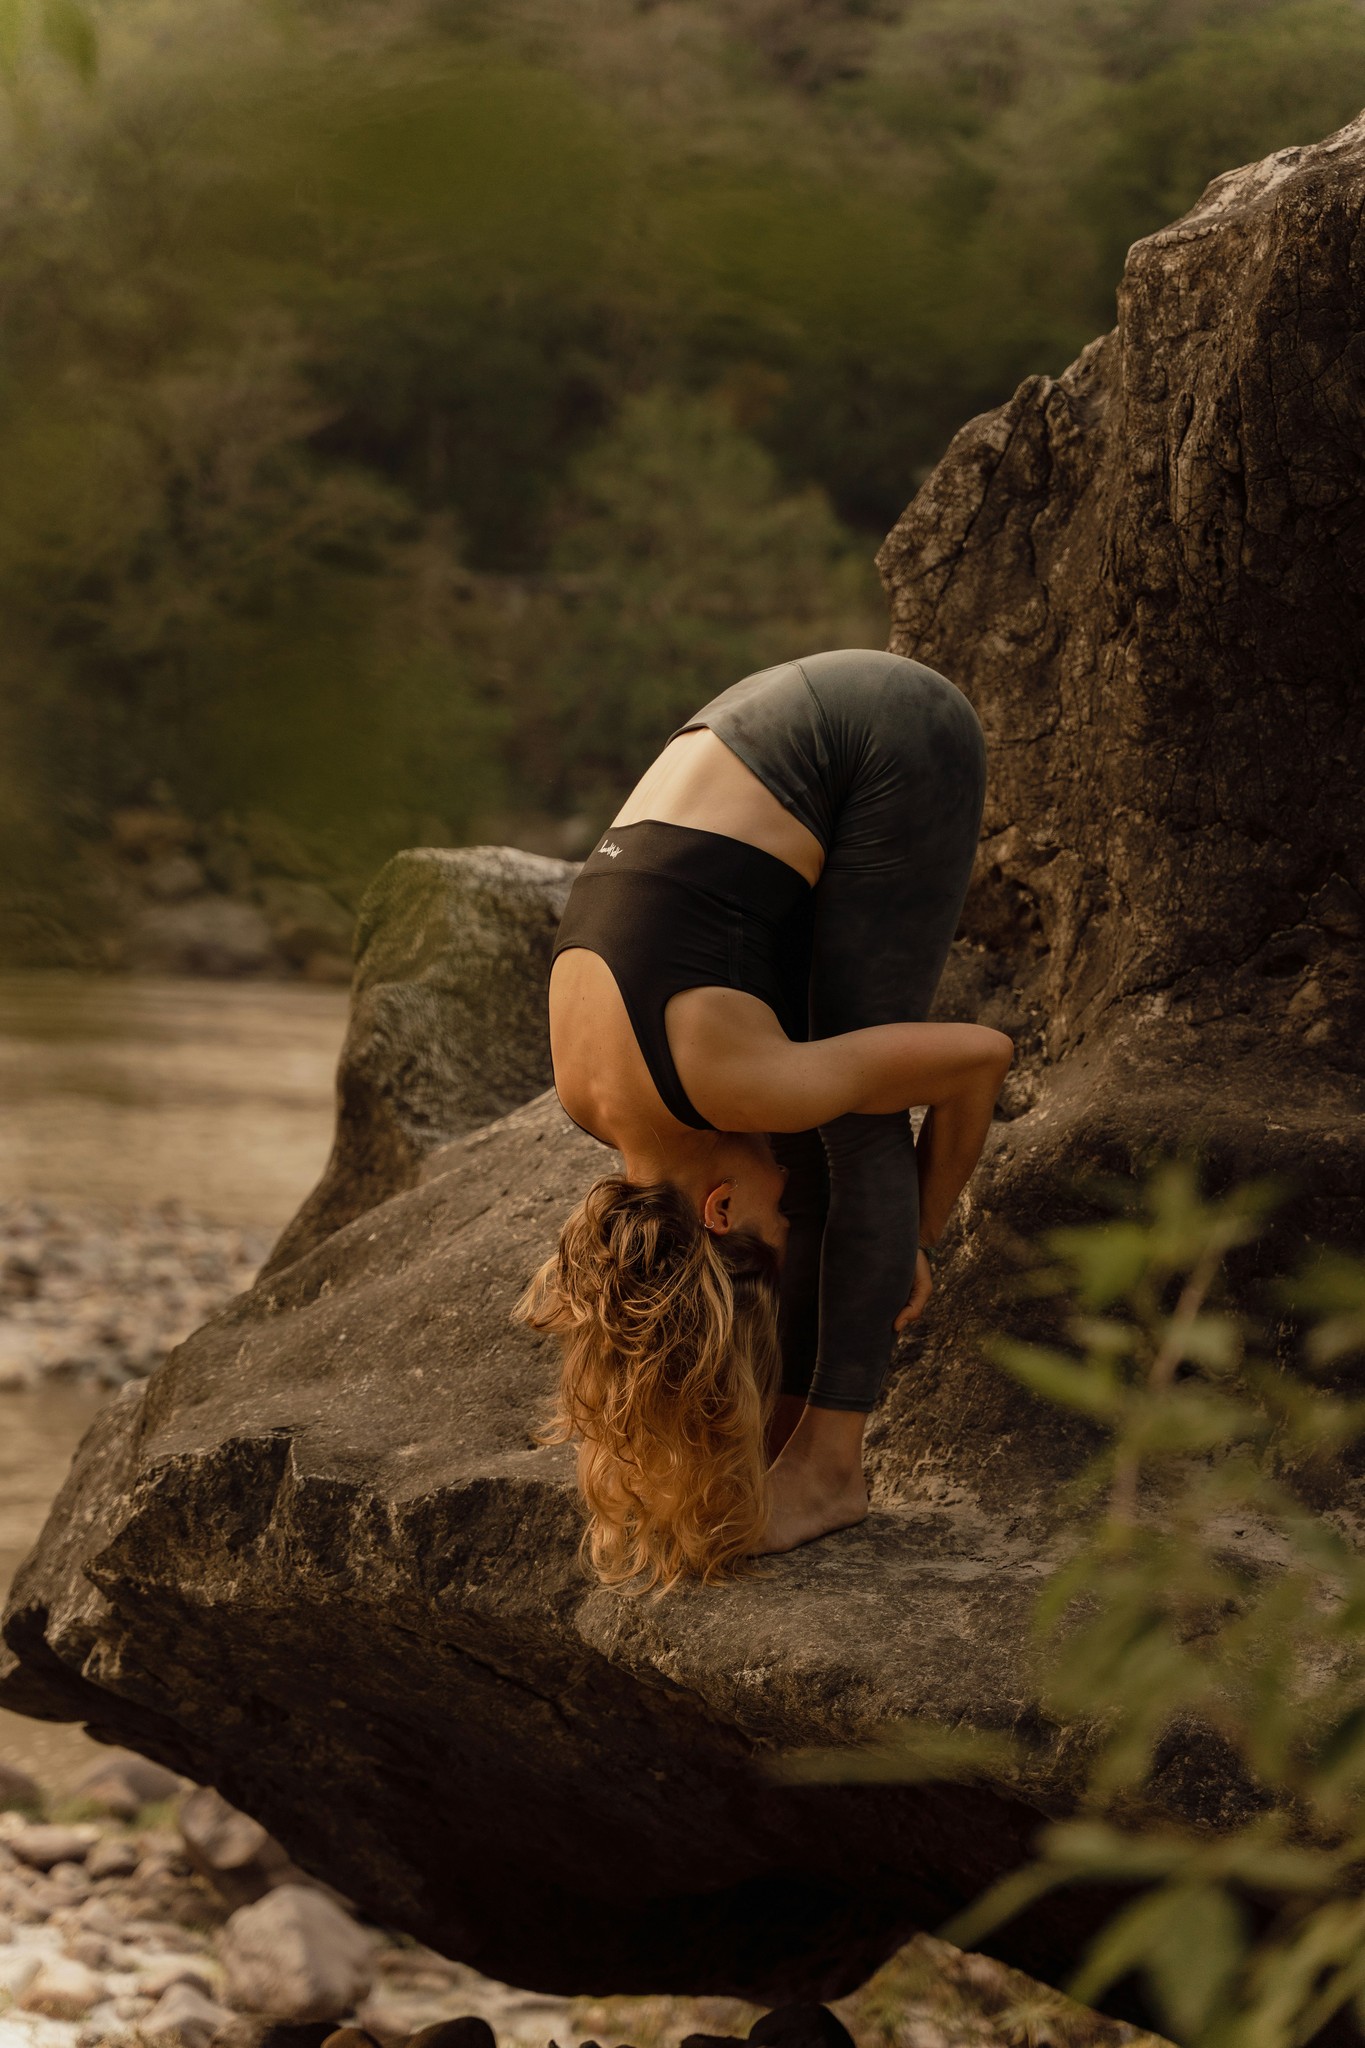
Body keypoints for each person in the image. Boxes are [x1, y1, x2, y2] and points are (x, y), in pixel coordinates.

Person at [518, 648, 1012, 1591]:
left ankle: (829, 1469)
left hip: (887, 731)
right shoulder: (598, 1100)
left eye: (769, 1235)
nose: (784, 1213)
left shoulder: (736, 1083)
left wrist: (918, 1233)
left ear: (712, 1212)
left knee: (854, 1124)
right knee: (821, 1112)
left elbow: (978, 1061)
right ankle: (792, 1439)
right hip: (745, 729)